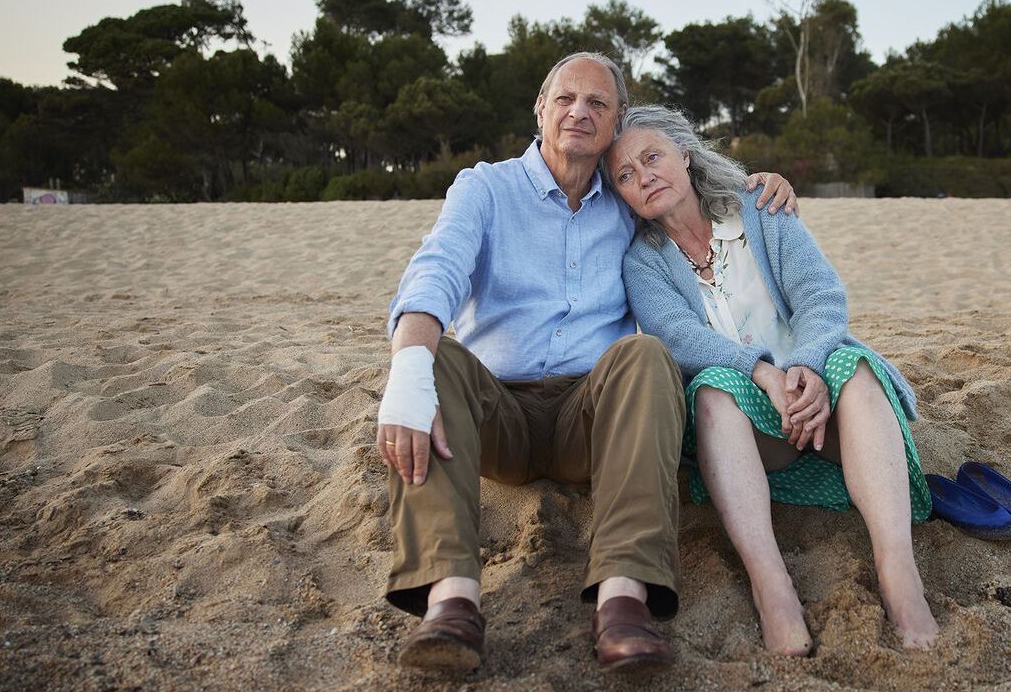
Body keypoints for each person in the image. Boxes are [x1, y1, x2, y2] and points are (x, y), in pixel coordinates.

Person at [376, 53, 797, 673]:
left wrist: (758, 187)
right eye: (566, 99)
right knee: (430, 357)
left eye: (597, 103)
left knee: (645, 354)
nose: (579, 112)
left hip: (592, 417)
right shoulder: (484, 188)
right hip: (496, 412)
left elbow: (689, 197)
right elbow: (435, 270)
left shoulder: (627, 196)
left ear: (616, 120)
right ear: (540, 110)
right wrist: (407, 370)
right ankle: (451, 602)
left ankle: (623, 600)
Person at [612, 105, 939, 653]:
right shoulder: (642, 263)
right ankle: (772, 588)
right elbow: (678, 336)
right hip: (751, 429)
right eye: (625, 174)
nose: (643, 177)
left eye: (652, 157)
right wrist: (763, 373)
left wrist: (806, 365)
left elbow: (820, 295)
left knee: (855, 369)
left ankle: (898, 573)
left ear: (685, 155)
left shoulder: (762, 208)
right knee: (711, 391)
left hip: (823, 400)